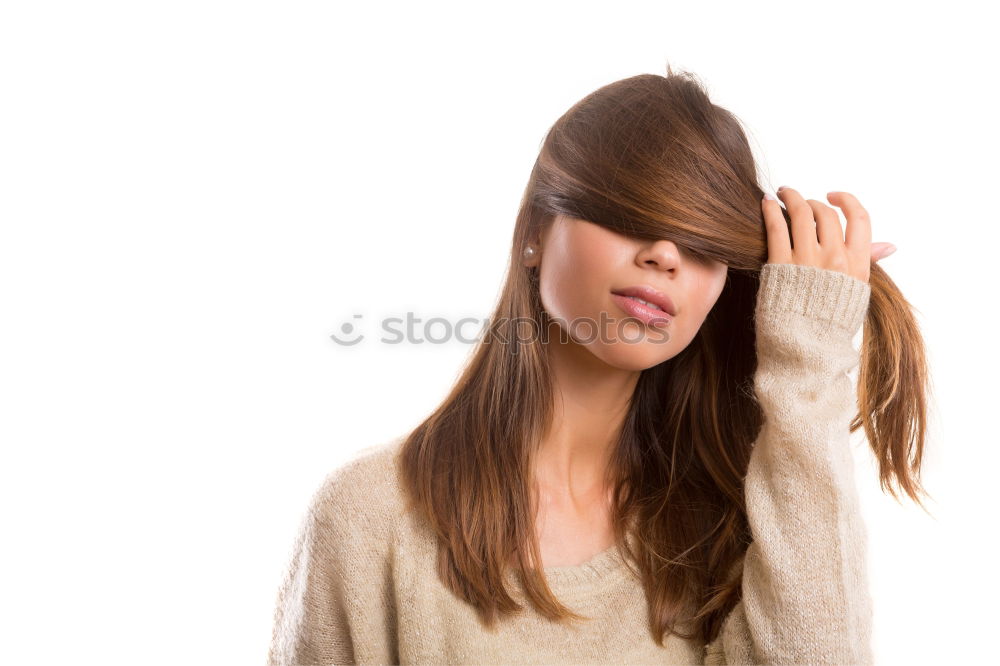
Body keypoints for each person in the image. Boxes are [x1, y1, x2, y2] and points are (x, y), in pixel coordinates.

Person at [267, 67, 930, 665]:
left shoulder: (738, 525)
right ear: (533, 233)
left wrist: (808, 357)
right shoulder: (366, 520)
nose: (667, 255)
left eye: (703, 243)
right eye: (632, 214)